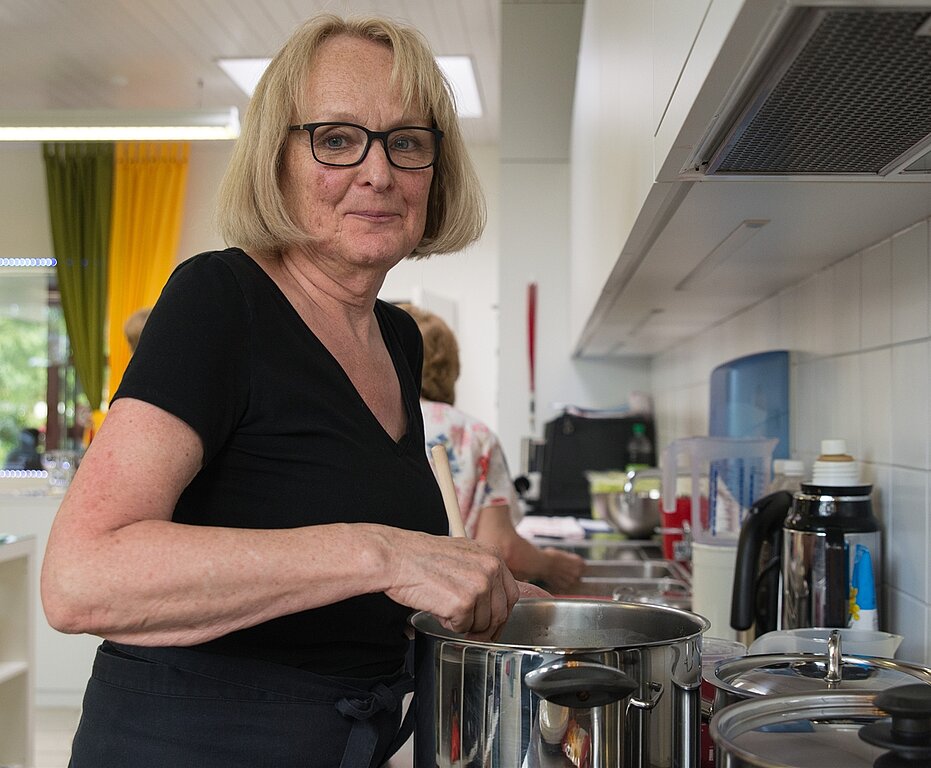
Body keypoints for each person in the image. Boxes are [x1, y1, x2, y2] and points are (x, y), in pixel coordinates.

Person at [40, 14, 545, 768]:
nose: (377, 173)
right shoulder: (221, 299)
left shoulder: (395, 338)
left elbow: (339, 591)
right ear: (275, 159)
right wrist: (379, 554)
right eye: (336, 139)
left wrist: (504, 597)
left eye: (406, 142)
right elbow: (81, 579)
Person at [400, 304, 585, 593]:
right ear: (448, 368)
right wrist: (550, 565)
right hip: (452, 610)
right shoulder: (473, 435)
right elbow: (502, 549)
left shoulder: (361, 425)